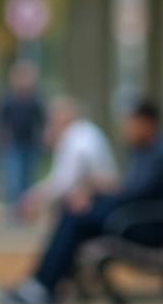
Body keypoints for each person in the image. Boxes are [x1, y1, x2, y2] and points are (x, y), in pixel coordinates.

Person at [0, 98, 163, 304]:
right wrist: (93, 196)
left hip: (145, 227)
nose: (126, 128)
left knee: (75, 217)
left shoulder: (160, 154)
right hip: (134, 219)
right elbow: (131, 191)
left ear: (147, 122)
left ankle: (41, 287)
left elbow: (133, 193)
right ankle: (44, 285)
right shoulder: (147, 149)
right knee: (74, 213)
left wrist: (94, 196)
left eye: (130, 122)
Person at [15, 96, 118, 224]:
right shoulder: (81, 131)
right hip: (98, 195)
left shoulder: (75, 136)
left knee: (67, 207)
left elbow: (64, 181)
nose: (49, 127)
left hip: (99, 198)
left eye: (52, 120)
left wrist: (33, 198)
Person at [0, 60, 45, 220]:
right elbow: (2, 121)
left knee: (27, 179)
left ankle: (25, 211)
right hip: (13, 145)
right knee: (13, 179)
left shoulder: (34, 100)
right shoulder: (9, 99)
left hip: (29, 143)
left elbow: (41, 121)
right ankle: (13, 212)